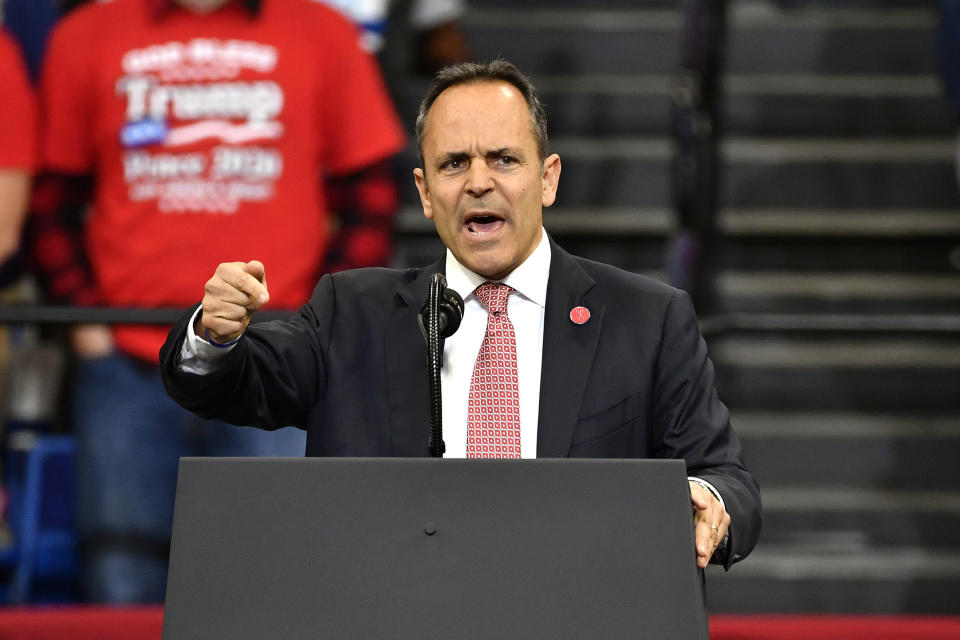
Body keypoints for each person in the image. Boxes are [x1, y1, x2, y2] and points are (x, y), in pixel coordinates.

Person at [161, 60, 762, 570]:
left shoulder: (647, 319)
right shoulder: (354, 315)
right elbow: (238, 385)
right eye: (453, 165)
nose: (478, 183)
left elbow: (726, 479)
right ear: (424, 193)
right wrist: (214, 336)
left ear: (547, 179)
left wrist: (704, 500)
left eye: (503, 160)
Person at [32, 0, 405, 603]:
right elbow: (50, 198)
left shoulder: (322, 32)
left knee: (289, 589)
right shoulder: (86, 35)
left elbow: (371, 192)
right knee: (121, 585)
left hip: (276, 362)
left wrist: (320, 324)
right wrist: (84, 315)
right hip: (129, 358)